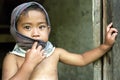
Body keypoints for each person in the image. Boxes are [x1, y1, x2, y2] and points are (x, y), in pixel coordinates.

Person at [2, 1, 118, 80]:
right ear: (15, 31)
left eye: (41, 26)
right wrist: (29, 63)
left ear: (48, 30)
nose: (35, 33)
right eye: (27, 27)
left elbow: (82, 59)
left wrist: (105, 46)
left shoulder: (54, 53)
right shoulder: (12, 58)